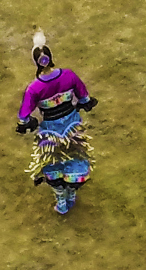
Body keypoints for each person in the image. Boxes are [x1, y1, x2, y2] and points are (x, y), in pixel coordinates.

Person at [16, 28, 97, 218]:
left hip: (50, 132)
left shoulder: (34, 88)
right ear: (50, 57)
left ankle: (61, 201)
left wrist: (29, 122)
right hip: (72, 128)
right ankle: (71, 194)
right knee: (75, 159)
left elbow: (23, 117)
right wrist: (82, 104)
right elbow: (84, 97)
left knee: (53, 164)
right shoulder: (68, 75)